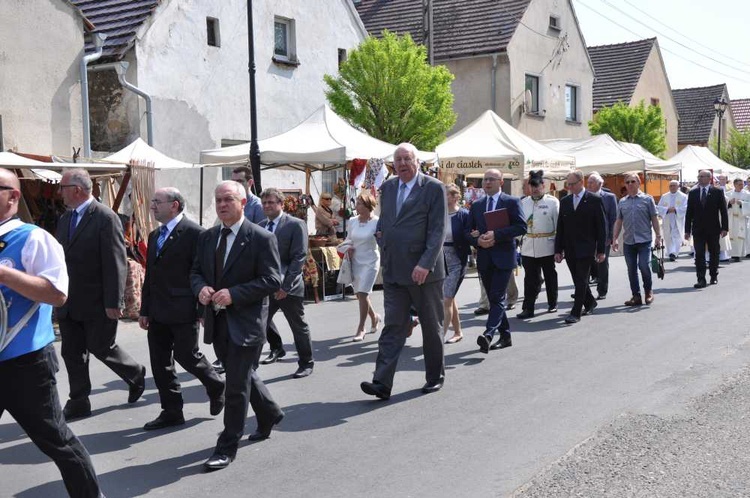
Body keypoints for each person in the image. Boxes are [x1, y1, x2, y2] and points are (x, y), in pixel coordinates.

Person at [0, 168, 103, 498]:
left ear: (13, 196)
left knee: (57, 441)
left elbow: (57, 293)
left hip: (25, 362)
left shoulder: (33, 238)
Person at [191, 180, 284, 471]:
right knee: (240, 374)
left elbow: (272, 280)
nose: (221, 205)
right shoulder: (207, 238)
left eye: (228, 199)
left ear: (243, 202)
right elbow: (195, 272)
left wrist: (235, 294)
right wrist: (201, 289)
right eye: (218, 200)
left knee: (235, 386)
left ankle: (227, 444)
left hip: (247, 322)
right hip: (217, 322)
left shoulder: (260, 238)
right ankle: (269, 413)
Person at [56, 168, 146, 420]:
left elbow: (115, 261)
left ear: (77, 189)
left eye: (62, 187)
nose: (59, 192)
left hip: (97, 300)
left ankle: (135, 373)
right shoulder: (65, 219)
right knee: (72, 352)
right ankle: (79, 400)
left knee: (101, 347)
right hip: (68, 300)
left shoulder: (105, 217)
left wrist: (113, 301)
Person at [360, 143, 446, 400]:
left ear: (417, 161)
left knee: (431, 327)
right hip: (395, 270)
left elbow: (437, 229)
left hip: (423, 272)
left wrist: (425, 263)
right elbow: (386, 221)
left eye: (407, 159)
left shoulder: (432, 188)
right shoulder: (388, 187)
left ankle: (434, 377)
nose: (402, 164)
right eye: (398, 160)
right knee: (393, 326)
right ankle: (381, 383)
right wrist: (382, 239)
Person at [138, 187, 225, 430]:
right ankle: (171, 410)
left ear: (174, 205)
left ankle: (216, 384)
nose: (152, 205)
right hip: (157, 310)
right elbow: (150, 276)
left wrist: (202, 309)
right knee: (160, 362)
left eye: (157, 201)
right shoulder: (155, 235)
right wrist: (145, 309)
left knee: (187, 355)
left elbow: (204, 273)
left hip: (183, 307)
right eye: (153, 201)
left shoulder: (196, 233)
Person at [467, 169, 526, 353]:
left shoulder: (511, 201)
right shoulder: (477, 205)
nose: (487, 182)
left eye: (491, 179)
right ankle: (506, 335)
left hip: (504, 257)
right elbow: (468, 232)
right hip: (485, 258)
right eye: (485, 179)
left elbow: (521, 226)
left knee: (497, 296)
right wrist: (477, 240)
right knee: (494, 298)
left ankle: (488, 334)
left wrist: (497, 235)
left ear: (501, 182)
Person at [258, 188, 314, 378]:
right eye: (264, 203)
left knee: (298, 326)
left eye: (271, 202)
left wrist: (285, 286)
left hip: (288, 286)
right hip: (265, 286)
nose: (267, 206)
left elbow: (299, 257)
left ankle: (306, 363)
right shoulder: (260, 225)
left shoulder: (295, 224)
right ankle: (275, 350)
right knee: (259, 323)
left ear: (281, 204)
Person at [554, 170, 606, 324]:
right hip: (570, 247)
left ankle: (575, 312)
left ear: (581, 182)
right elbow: (561, 227)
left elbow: (601, 227)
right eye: (567, 184)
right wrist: (558, 249)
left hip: (587, 247)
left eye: (572, 184)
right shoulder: (565, 201)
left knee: (582, 279)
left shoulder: (594, 200)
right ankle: (590, 301)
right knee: (577, 279)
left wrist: (601, 249)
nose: (569, 187)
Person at [611, 172, 661, 306]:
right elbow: (619, 221)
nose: (630, 184)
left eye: (633, 181)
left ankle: (648, 291)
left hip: (644, 240)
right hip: (628, 241)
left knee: (644, 265)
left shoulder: (648, 199)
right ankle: (636, 296)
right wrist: (615, 238)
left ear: (639, 183)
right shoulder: (622, 202)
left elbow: (654, 218)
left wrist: (658, 236)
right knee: (631, 269)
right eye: (627, 182)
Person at [517, 170, 558, 319]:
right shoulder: (523, 202)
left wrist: (560, 248)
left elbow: (558, 225)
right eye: (531, 185)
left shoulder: (552, 202)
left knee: (549, 275)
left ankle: (552, 302)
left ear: (543, 185)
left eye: (537, 185)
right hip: (528, 246)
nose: (534, 189)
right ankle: (528, 308)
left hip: (547, 245)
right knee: (530, 278)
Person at [344, 192, 381, 342]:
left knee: (364, 293)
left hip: (371, 261)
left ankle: (361, 328)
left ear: (367, 206)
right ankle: (375, 317)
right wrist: (349, 246)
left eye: (359, 203)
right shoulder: (352, 221)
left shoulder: (377, 221)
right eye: (357, 203)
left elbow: (382, 241)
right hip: (356, 260)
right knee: (359, 295)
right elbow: (348, 239)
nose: (356, 206)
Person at [685, 169, 729, 288]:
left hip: (713, 228)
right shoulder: (693, 193)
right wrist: (687, 230)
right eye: (698, 176)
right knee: (699, 254)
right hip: (698, 229)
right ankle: (701, 279)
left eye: (702, 176)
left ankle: (713, 275)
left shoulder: (717, 191)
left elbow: (723, 211)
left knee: (714, 252)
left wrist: (725, 227)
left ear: (709, 178)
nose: (699, 178)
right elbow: (689, 212)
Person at [443, 184, 471, 343]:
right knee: (450, 297)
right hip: (440, 260)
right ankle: (458, 332)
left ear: (455, 197)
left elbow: (469, 235)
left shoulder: (464, 215)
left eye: (446, 195)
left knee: (446, 299)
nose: (443, 197)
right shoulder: (439, 214)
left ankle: (439, 337)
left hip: (457, 260)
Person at [586, 172, 617, 300]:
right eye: (588, 183)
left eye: (591, 182)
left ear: (600, 184)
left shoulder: (609, 197)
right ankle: (584, 291)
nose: (588, 185)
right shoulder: (585, 197)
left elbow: (613, 218)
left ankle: (602, 290)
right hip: (587, 236)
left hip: (603, 237)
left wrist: (611, 236)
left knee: (602, 263)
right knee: (586, 263)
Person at [657, 180, 688, 261]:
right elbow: (659, 207)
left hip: (677, 218)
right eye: (671, 185)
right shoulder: (664, 196)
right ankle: (671, 251)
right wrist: (667, 210)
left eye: (674, 185)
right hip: (667, 218)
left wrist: (676, 210)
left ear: (678, 187)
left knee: (676, 235)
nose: (672, 187)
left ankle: (674, 253)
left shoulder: (683, 196)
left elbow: (686, 207)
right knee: (668, 235)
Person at [726, 178, 750, 262]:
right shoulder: (729, 194)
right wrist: (729, 203)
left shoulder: (747, 194)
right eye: (739, 184)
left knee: (741, 236)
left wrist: (742, 203)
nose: (741, 186)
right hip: (731, 218)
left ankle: (739, 254)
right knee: (731, 236)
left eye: (742, 184)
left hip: (741, 219)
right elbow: (723, 204)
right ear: (734, 184)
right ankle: (732, 254)